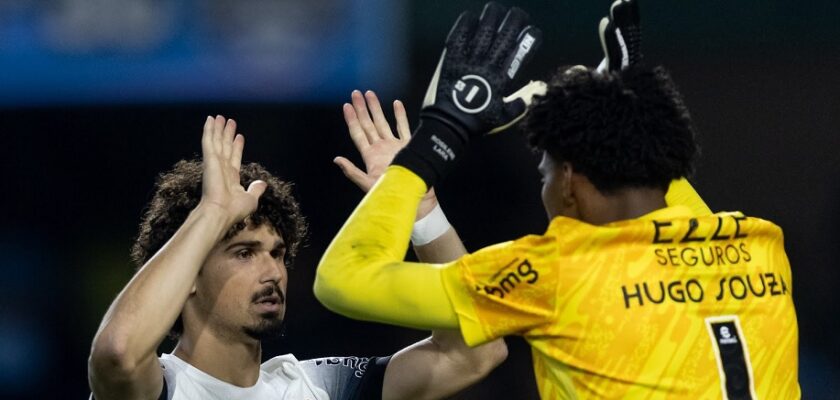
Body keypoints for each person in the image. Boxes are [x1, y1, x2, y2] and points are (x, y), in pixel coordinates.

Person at [314, 1, 800, 398]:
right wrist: (625, 103)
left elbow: (343, 281)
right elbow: (664, 193)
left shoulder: (555, 273)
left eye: (545, 172)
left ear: (569, 181)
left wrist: (432, 143)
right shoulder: (762, 248)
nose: (544, 187)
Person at [87, 114, 507, 400]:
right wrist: (211, 213)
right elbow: (117, 351)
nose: (272, 271)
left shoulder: (317, 386)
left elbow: (476, 351)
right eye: (244, 253)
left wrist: (419, 207)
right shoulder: (162, 388)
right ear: (189, 278)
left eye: (278, 253)